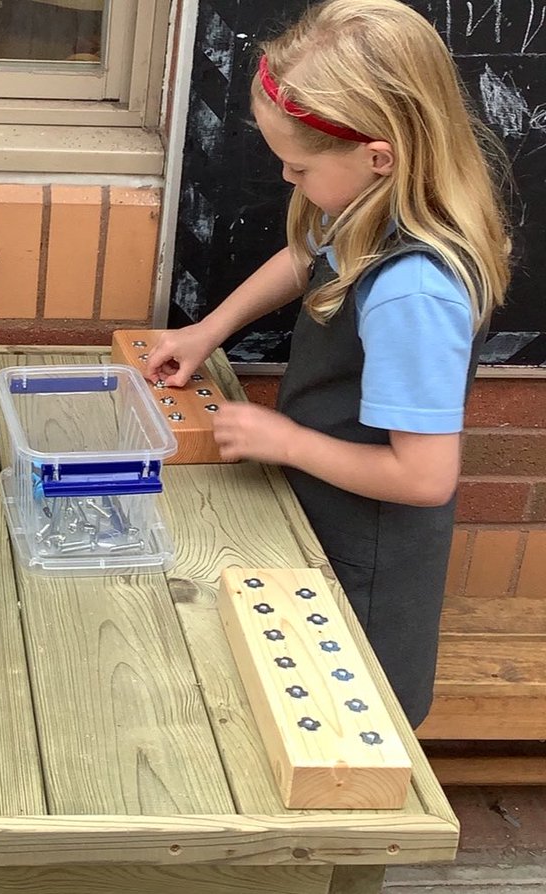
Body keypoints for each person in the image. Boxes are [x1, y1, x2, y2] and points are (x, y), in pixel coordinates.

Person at [145, 0, 509, 728]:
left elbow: (425, 477)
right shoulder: (368, 208)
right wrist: (206, 332)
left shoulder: (412, 291)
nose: (285, 175)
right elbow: (303, 257)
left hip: (368, 568)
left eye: (300, 165)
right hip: (317, 515)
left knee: (347, 727)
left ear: (380, 156)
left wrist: (287, 442)